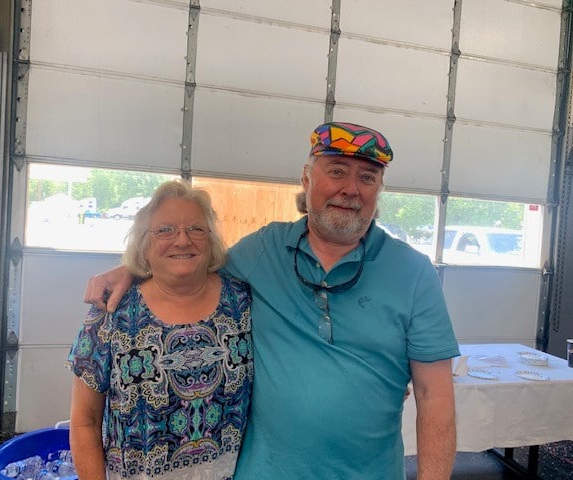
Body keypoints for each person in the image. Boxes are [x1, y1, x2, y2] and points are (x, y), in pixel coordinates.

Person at [84, 122, 460, 480]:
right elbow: (191, 260)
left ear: (379, 191)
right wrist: (131, 269)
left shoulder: (414, 273)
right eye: (337, 171)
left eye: (367, 177)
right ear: (307, 178)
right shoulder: (264, 251)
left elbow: (435, 396)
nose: (351, 188)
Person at [68, 180, 253, 480]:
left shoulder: (243, 302)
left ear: (211, 240)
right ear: (144, 243)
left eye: (196, 229)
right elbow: (84, 422)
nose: (182, 240)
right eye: (165, 230)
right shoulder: (112, 311)